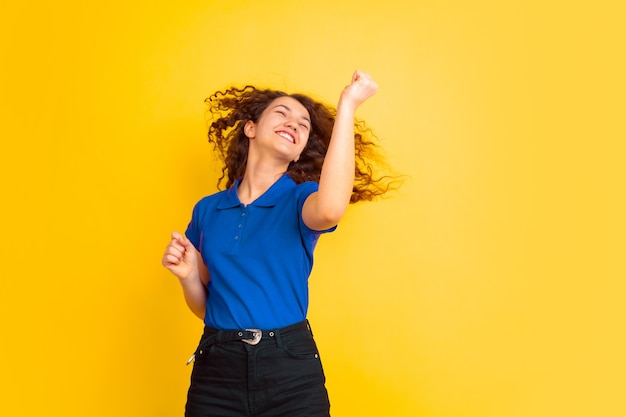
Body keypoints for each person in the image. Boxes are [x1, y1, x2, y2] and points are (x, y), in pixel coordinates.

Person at [162, 70, 394, 417]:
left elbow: (331, 210)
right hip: (217, 370)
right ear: (251, 128)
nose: (295, 124)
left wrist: (348, 105)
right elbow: (207, 307)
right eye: (282, 113)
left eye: (304, 125)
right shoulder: (208, 210)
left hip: (290, 369)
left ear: (300, 150)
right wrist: (187, 276)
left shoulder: (301, 200)